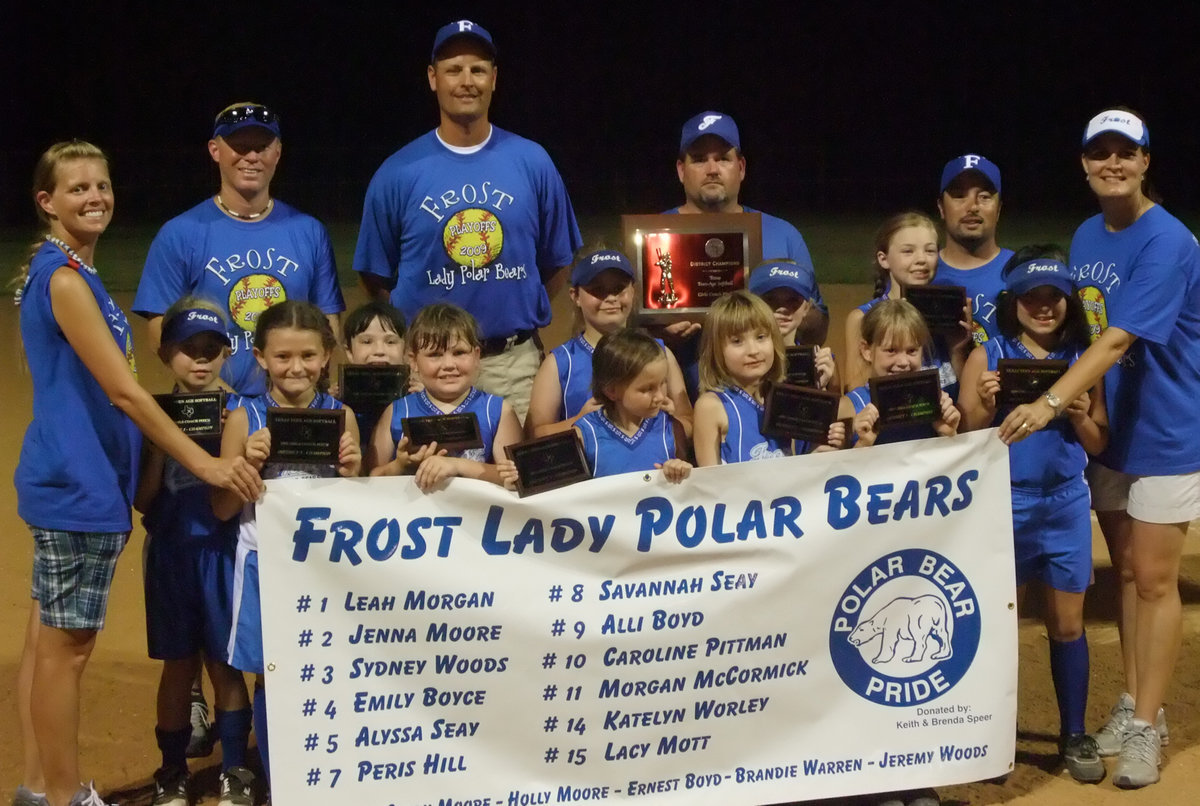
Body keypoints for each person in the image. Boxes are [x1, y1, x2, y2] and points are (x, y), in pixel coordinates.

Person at [12, 141, 260, 806]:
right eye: (76, 189)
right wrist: (205, 460)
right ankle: (64, 795)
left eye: (101, 185)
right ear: (47, 202)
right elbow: (126, 393)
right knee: (67, 652)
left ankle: (39, 786)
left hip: (66, 481)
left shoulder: (64, 272)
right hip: (79, 487)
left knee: (45, 643)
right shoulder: (64, 280)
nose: (93, 197)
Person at [1000, 108, 1200, 788]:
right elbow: (1088, 332)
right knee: (1126, 576)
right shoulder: (1087, 234)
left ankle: (1148, 725)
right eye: (1099, 153)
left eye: (1126, 152)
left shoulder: (1168, 240)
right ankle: (1134, 702)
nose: (1112, 163)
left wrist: (1050, 400)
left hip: (1167, 430)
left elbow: (1117, 341)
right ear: (1084, 163)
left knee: (1154, 578)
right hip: (1113, 428)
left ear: (1146, 162)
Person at [354, 20, 582, 421]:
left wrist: (518, 309)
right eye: (453, 69)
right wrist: (426, 344)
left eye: (478, 70)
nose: (467, 81)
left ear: (494, 79)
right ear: (432, 78)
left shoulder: (532, 161)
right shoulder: (398, 172)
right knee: (423, 478)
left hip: (511, 366)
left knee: (516, 480)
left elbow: (558, 259)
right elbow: (375, 276)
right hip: (427, 371)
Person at [958, 249, 1108, 783]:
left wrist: (1082, 414)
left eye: (1053, 298)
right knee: (1002, 624)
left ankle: (1073, 732)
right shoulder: (990, 352)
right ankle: (991, 733)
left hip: (1065, 501)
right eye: (1031, 297)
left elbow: (1096, 441)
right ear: (1013, 301)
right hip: (1004, 501)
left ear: (1067, 302)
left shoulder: (1082, 357)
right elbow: (968, 434)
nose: (1043, 308)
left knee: (1068, 624)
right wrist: (981, 401)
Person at [214, 301, 361, 797]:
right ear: (259, 357)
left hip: (323, 569)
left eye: (307, 356)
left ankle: (323, 774)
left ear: (326, 357)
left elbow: (355, 507)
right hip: (262, 563)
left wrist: (352, 473)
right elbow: (220, 509)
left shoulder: (342, 416)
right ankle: (274, 780)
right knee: (271, 676)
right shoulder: (244, 417)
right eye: (282, 357)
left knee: (324, 670)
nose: (295, 368)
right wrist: (245, 467)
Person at [133, 102, 345, 397]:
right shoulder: (180, 233)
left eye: (262, 146)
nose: (252, 157)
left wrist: (301, 393)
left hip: (290, 405)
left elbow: (327, 326)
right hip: (214, 405)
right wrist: (229, 402)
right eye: (239, 146)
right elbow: (161, 333)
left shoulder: (309, 231)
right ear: (215, 150)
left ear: (278, 152)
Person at [133, 299, 255, 806]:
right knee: (178, 666)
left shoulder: (240, 410)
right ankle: (172, 770)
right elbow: (143, 499)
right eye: (188, 350)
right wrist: (163, 442)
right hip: (171, 552)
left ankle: (234, 768)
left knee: (225, 665)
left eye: (211, 350)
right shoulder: (152, 413)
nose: (200, 361)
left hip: (224, 552)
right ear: (166, 355)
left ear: (227, 353)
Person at [663, 111, 828, 399]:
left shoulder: (783, 234)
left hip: (768, 403)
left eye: (723, 158)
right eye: (699, 159)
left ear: (740, 168)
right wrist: (660, 333)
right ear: (680, 170)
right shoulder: (655, 239)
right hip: (675, 407)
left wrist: (793, 315)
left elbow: (819, 324)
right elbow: (623, 333)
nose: (712, 169)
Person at [525, 248, 692, 438]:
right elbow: (534, 435)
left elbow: (689, 422)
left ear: (633, 291)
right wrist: (580, 420)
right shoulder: (560, 363)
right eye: (598, 290)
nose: (611, 298)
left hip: (652, 465)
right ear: (575, 296)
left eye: (619, 288)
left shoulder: (660, 353)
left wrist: (671, 420)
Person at [368, 303, 522, 491]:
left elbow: (516, 479)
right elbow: (370, 479)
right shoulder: (397, 411)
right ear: (414, 361)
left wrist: (457, 465)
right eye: (435, 355)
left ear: (476, 355)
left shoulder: (498, 411)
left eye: (459, 353)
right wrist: (400, 464)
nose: (449, 364)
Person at [692, 290, 841, 465]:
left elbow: (793, 467)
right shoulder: (712, 406)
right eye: (737, 341)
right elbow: (708, 485)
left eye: (761, 337)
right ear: (716, 349)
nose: (753, 351)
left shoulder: (783, 397)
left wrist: (818, 449)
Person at [573, 329, 692, 481]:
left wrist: (680, 471)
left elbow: (688, 491)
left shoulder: (671, 429)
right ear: (611, 391)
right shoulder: (585, 435)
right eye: (647, 389)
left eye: (663, 383)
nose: (660, 397)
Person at [840, 299, 960, 447]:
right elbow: (833, 469)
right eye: (891, 350)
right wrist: (863, 443)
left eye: (911, 351)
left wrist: (948, 434)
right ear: (867, 351)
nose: (903, 362)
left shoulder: (934, 405)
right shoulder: (848, 409)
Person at [845, 213, 945, 390]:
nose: (921, 259)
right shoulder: (863, 318)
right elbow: (857, 396)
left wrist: (957, 347)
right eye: (908, 251)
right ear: (883, 259)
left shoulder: (948, 314)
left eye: (930, 250)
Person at [933, 154, 1014, 344]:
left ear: (999, 209)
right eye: (959, 195)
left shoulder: (1018, 273)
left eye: (984, 196)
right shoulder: (920, 273)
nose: (972, 206)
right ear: (941, 208)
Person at [337, 300, 411, 447]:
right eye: (366, 342)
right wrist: (334, 401)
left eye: (390, 342)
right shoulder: (335, 404)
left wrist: (422, 400)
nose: (379, 351)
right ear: (349, 351)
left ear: (405, 350)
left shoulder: (415, 399)